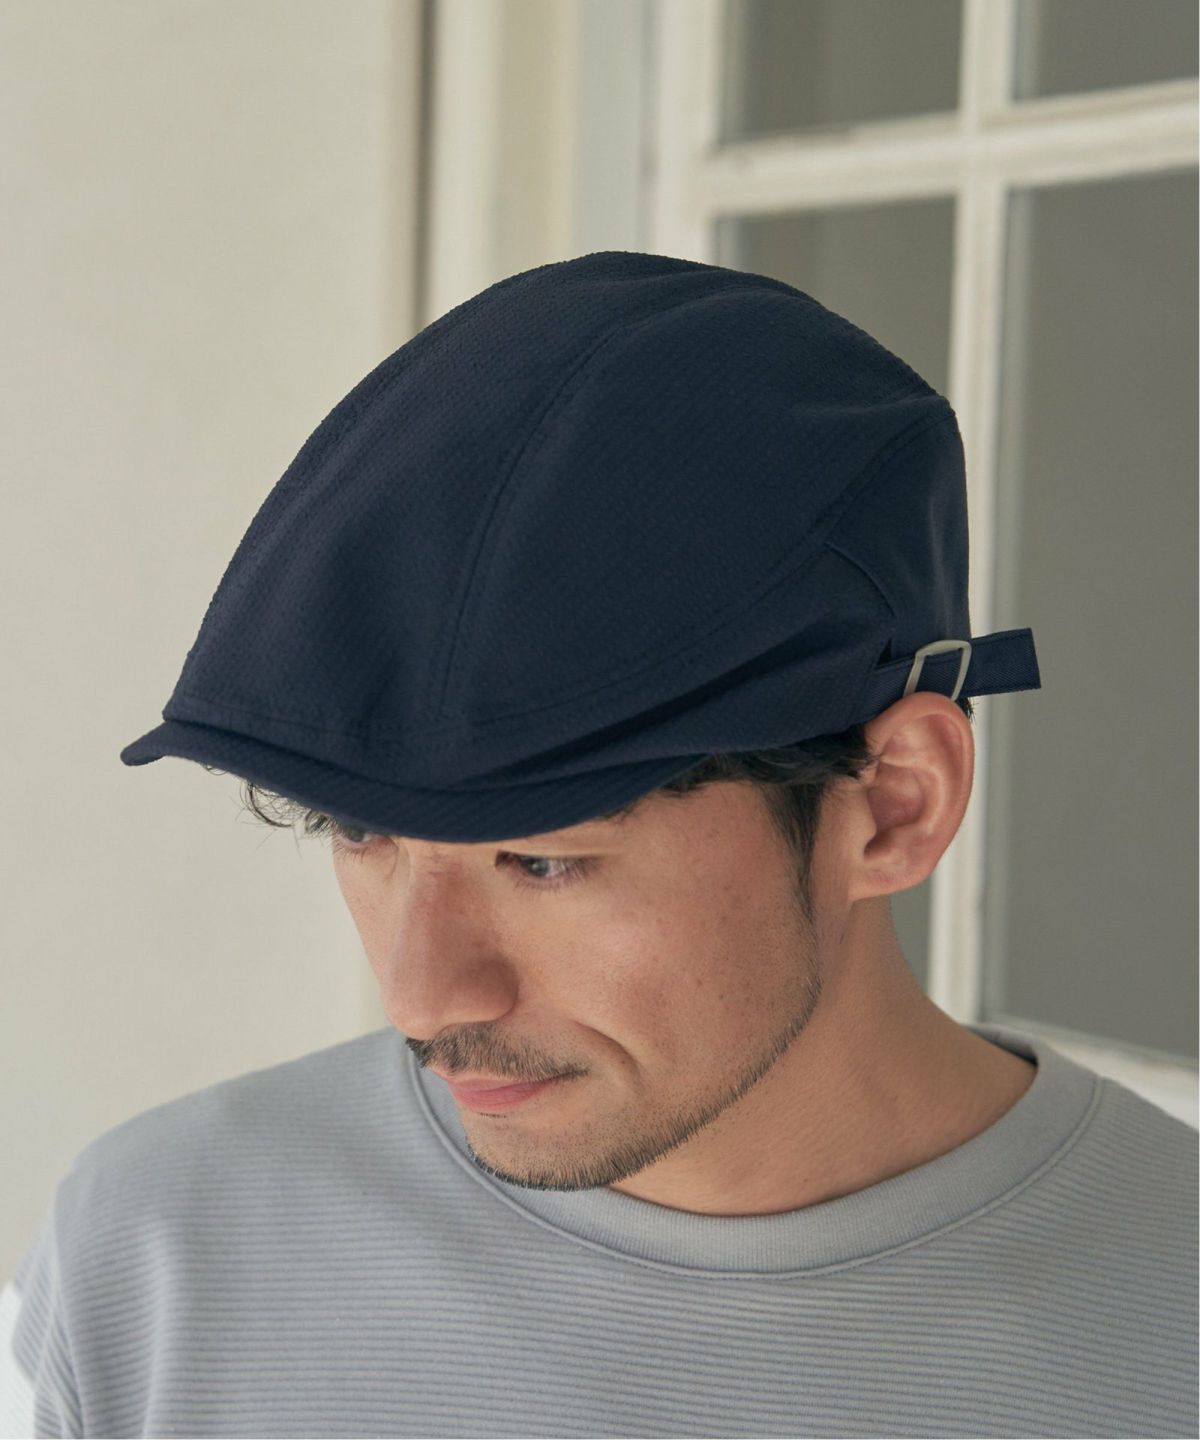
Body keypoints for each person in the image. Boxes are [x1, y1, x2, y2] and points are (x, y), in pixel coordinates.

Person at [2, 252, 1194, 1439]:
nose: (422, 999)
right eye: (357, 829)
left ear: (893, 806)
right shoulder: (152, 1264)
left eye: (541, 861)